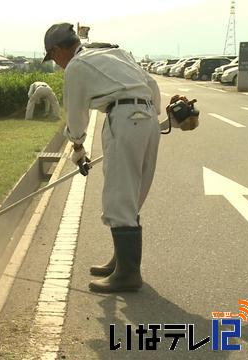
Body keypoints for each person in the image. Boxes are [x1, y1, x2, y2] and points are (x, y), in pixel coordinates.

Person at [42, 23, 163, 293]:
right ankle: (121, 262)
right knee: (131, 195)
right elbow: (151, 84)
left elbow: (76, 113)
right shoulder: (114, 51)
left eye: (53, 57)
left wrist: (77, 146)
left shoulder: (76, 65)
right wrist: (152, 118)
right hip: (147, 118)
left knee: (119, 195)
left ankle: (128, 275)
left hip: (123, 118)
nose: (56, 63)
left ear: (59, 49)